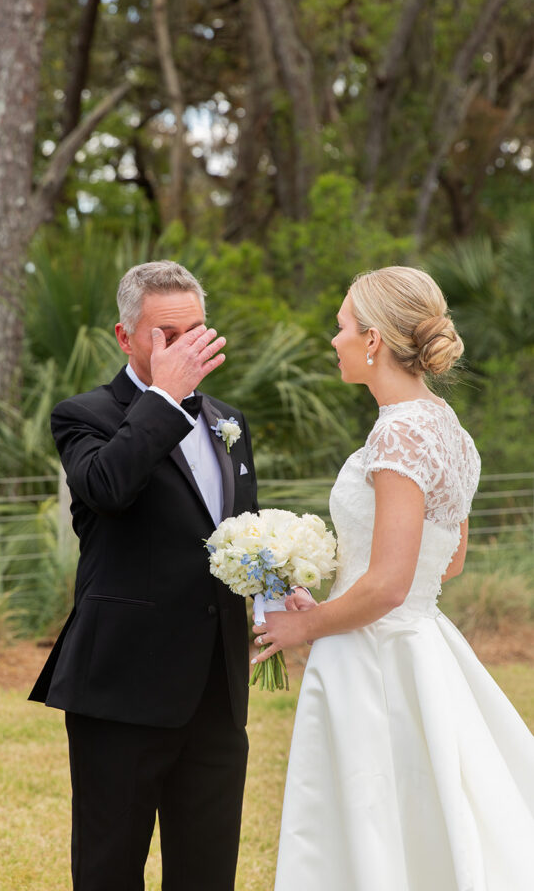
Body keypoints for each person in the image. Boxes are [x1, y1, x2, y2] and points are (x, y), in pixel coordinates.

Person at [252, 265, 534, 890]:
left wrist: (305, 627)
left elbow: (387, 586)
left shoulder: (399, 432)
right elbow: (447, 562)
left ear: (373, 339)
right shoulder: (450, 430)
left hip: (372, 656)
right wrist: (331, 587)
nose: (335, 340)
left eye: (342, 326)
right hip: (423, 644)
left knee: (372, 814)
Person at [29, 260, 258, 891]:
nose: (186, 347)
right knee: (109, 869)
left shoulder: (229, 421)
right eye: (167, 336)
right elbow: (107, 488)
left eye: (195, 331)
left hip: (215, 689)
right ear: (125, 337)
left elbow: (242, 531)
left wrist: (275, 583)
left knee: (208, 871)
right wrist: (163, 398)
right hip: (122, 686)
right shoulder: (84, 415)